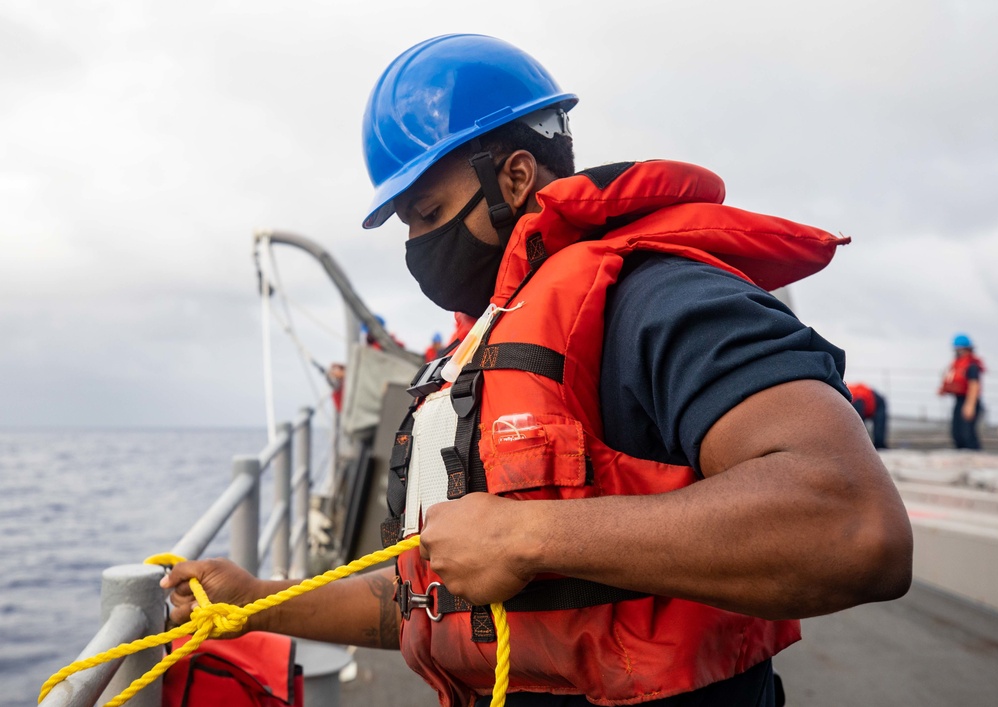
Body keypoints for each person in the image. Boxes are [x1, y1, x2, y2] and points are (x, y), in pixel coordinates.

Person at [162, 34, 912, 707]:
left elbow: (853, 523)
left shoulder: (657, 299)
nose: (417, 246)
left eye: (428, 212)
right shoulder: (480, 347)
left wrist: (530, 533)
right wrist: (257, 601)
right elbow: (433, 601)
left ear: (515, 176)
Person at [938, 333, 986, 449]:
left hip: (968, 400)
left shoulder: (972, 365)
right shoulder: (956, 364)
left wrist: (970, 405)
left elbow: (974, 385)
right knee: (957, 431)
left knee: (967, 434)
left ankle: (974, 454)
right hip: (959, 400)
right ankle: (961, 453)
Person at [846, 382, 889, 449]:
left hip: (875, 401)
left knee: (878, 431)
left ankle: (880, 446)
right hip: (863, 399)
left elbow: (858, 425)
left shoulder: (855, 401)